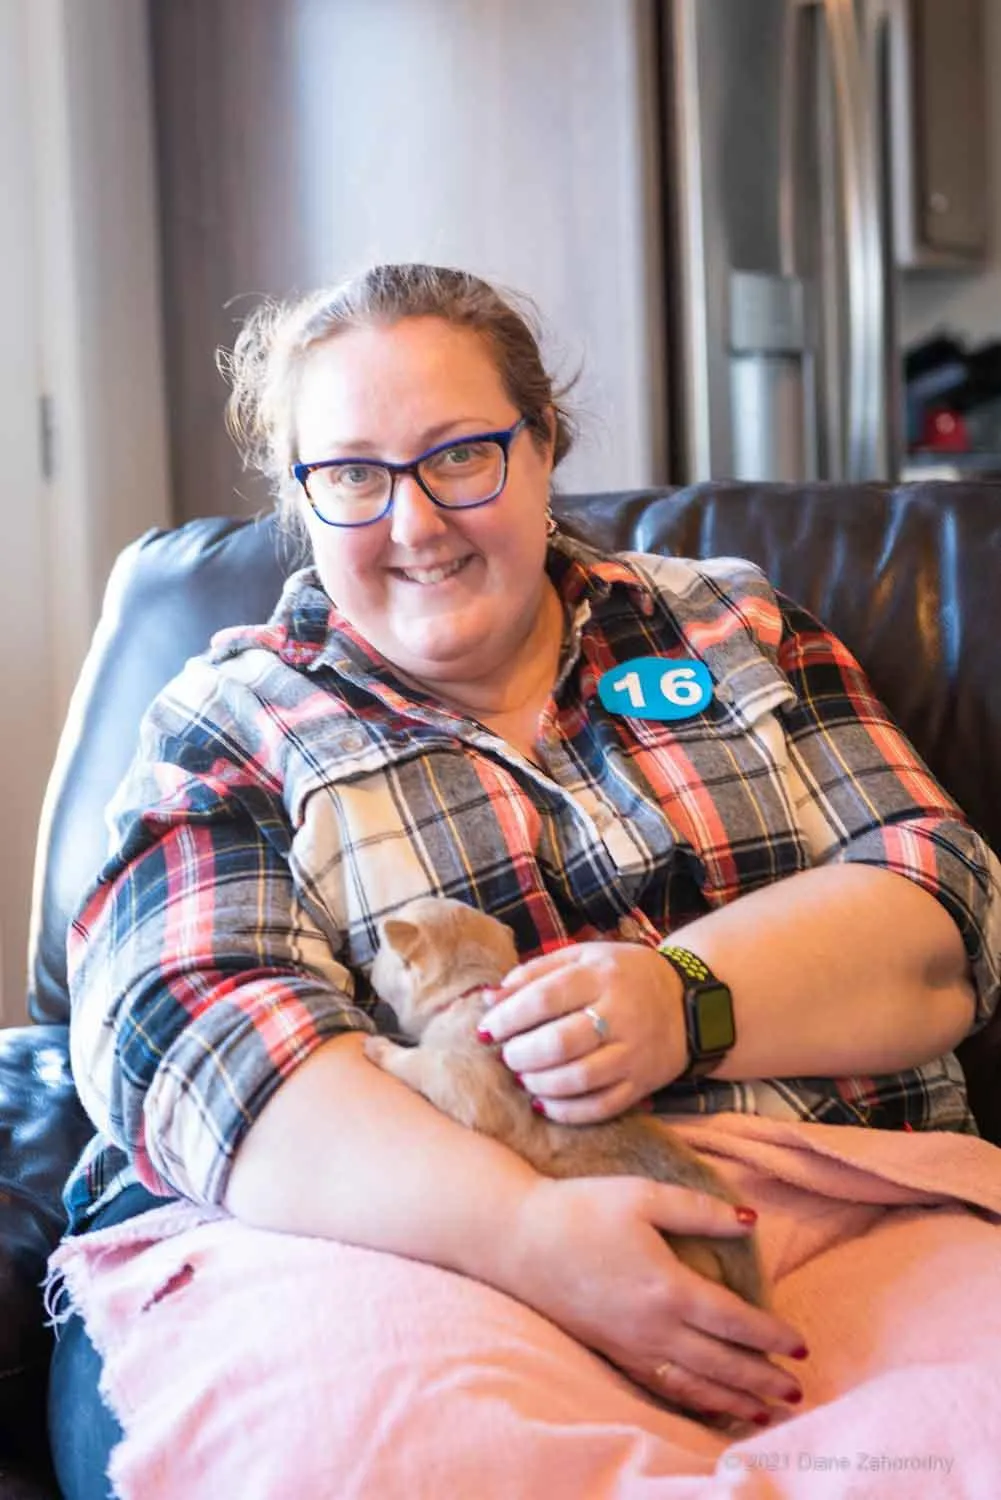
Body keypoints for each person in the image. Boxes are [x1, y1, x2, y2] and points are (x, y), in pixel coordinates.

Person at [47, 264, 1001, 1499]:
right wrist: (525, 1237)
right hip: (408, 1256)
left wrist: (684, 1000)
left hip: (836, 1203)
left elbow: (940, 900)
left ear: (542, 445)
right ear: (301, 497)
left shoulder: (734, 628)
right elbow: (187, 1040)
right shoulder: (228, 724)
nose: (413, 525)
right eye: (350, 476)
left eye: (459, 457)